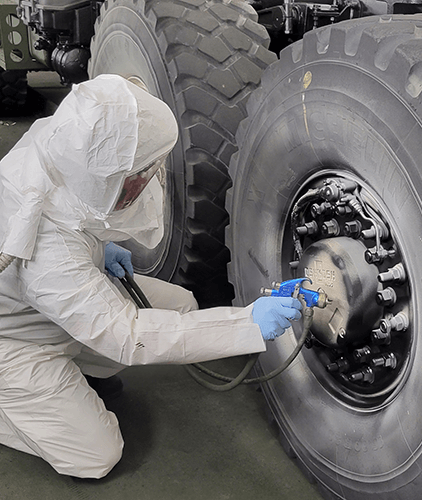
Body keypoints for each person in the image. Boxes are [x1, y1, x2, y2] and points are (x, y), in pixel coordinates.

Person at [0, 74, 302, 479]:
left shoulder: (57, 140)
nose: (151, 179)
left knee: (182, 305)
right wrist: (248, 323)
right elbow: (128, 334)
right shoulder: (47, 252)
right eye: (143, 173)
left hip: (43, 300)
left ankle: (71, 372)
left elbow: (65, 216)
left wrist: (95, 246)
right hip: (15, 343)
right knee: (95, 455)